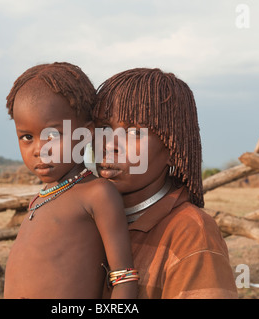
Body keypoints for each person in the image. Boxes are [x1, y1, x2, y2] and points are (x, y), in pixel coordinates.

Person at [93, 67, 238, 299]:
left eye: (134, 132)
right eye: (103, 129)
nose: (110, 145)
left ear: (172, 148)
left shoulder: (191, 235)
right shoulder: (88, 221)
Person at [3, 62, 138, 299]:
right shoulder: (40, 199)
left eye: (53, 135)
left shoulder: (96, 193)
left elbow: (123, 277)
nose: (39, 149)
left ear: (85, 134)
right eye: (27, 137)